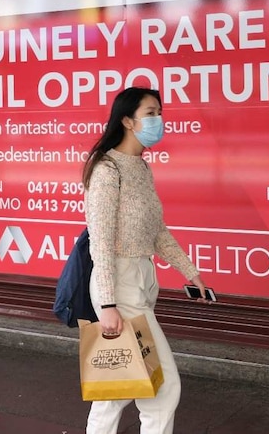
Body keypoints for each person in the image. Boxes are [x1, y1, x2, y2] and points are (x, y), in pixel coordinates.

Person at [82, 86, 208, 434]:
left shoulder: (139, 167)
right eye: (150, 113)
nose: (159, 120)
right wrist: (108, 304)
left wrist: (191, 273)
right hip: (118, 284)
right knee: (163, 387)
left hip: (141, 279)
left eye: (159, 112)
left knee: (118, 388)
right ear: (127, 120)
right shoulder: (107, 170)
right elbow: (101, 243)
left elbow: (158, 232)